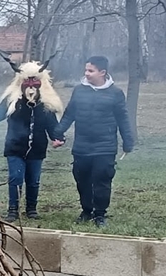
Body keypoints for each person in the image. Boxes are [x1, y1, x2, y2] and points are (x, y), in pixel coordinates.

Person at [0, 61, 64, 222]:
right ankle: (13, 210)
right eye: (27, 82)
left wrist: (58, 138)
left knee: (33, 180)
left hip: (37, 148)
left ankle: (31, 209)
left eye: (34, 82)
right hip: (15, 147)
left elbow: (52, 125)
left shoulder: (46, 103)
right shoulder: (12, 100)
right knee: (15, 178)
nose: (30, 86)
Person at [54, 55, 134, 227]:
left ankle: (100, 214)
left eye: (91, 71)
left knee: (102, 181)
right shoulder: (79, 90)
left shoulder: (115, 93)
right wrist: (58, 132)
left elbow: (123, 119)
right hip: (81, 146)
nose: (87, 74)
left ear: (102, 72)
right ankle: (86, 210)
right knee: (81, 180)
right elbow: (69, 114)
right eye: (86, 70)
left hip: (104, 147)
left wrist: (128, 141)